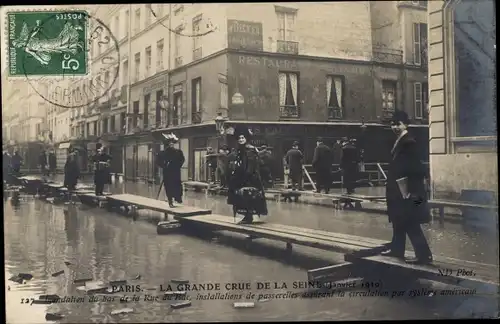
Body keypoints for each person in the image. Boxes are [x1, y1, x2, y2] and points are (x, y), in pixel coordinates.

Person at [381, 110, 433, 265]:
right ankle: (397, 249)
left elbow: (414, 168)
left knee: (410, 222)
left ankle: (424, 255)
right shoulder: (401, 141)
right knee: (398, 220)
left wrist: (408, 191)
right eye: (392, 124)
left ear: (406, 125)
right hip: (399, 188)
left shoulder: (408, 142)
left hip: (407, 190)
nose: (395, 127)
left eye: (398, 124)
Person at [227, 125, 268, 224]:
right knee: (241, 198)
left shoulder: (250, 150)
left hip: (250, 178)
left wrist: (246, 175)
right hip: (242, 176)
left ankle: (249, 217)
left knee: (249, 197)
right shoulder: (240, 150)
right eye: (239, 138)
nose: (241, 140)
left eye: (242, 138)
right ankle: (247, 216)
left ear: (246, 138)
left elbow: (251, 165)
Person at [156, 133, 185, 208]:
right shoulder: (162, 153)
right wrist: (164, 165)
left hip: (175, 172)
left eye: (172, 143)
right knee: (168, 187)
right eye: (170, 143)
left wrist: (178, 166)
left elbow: (182, 160)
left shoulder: (178, 152)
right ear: (167, 144)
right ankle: (170, 201)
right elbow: (158, 162)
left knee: (177, 186)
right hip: (167, 173)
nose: (171, 144)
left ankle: (178, 198)